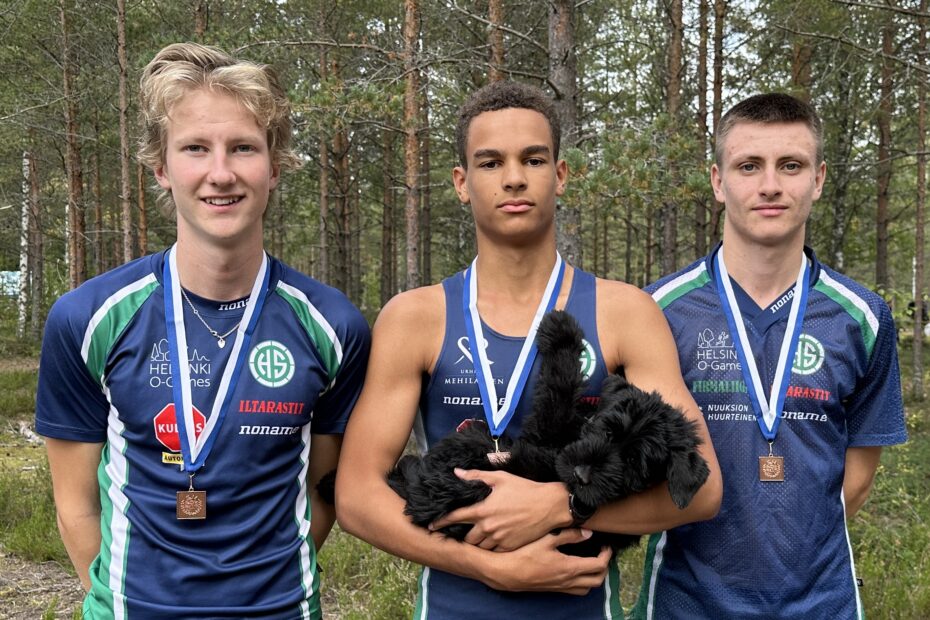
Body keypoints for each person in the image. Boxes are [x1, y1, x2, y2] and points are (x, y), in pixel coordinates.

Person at [335, 81, 721, 619]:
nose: (514, 177)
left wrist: (561, 503)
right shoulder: (415, 318)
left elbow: (704, 489)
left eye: (533, 159)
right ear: (462, 183)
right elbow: (355, 496)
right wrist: (489, 568)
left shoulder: (624, 312)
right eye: (491, 162)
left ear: (560, 175)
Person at [35, 43, 370, 619]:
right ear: (162, 168)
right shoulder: (87, 318)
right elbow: (75, 506)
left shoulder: (334, 325)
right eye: (195, 148)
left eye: (243, 147)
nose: (221, 173)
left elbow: (323, 495)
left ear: (274, 166)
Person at [634, 93, 908, 619]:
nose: (770, 185)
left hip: (822, 604)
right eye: (748, 166)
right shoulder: (655, 311)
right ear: (718, 181)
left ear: (818, 179)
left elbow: (856, 479)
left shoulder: (863, 316)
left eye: (791, 165)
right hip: (684, 603)